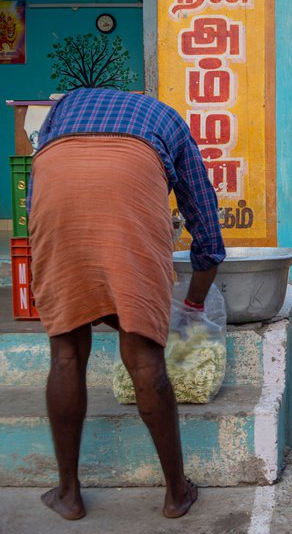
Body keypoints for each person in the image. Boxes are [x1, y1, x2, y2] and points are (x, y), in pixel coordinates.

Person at [28, 88, 226, 520]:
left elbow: (39, 192)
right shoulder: (167, 117)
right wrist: (193, 301)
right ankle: (176, 493)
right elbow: (202, 209)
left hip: (54, 193)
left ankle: (68, 494)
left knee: (65, 354)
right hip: (129, 184)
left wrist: (51, 254)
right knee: (142, 356)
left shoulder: (62, 109)